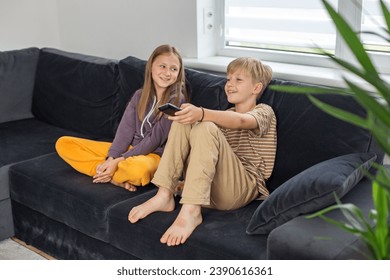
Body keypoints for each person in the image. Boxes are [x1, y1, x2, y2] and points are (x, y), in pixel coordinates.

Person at [128, 57, 277, 246]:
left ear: (256, 88)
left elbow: (241, 121)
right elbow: (205, 159)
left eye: (238, 80)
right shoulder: (224, 116)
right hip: (209, 192)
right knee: (186, 121)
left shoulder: (264, 111)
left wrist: (202, 114)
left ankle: (191, 211)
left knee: (204, 125)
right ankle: (164, 194)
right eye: (228, 79)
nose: (230, 84)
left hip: (241, 190)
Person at [55, 44, 187, 192]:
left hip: (153, 156)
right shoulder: (139, 95)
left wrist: (119, 160)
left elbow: (154, 140)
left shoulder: (177, 101)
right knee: (64, 143)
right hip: (128, 150)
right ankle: (111, 176)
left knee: (136, 171)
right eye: (162, 66)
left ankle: (108, 172)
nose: (167, 73)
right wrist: (112, 158)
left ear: (179, 73)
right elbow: (125, 130)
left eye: (173, 69)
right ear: (151, 67)